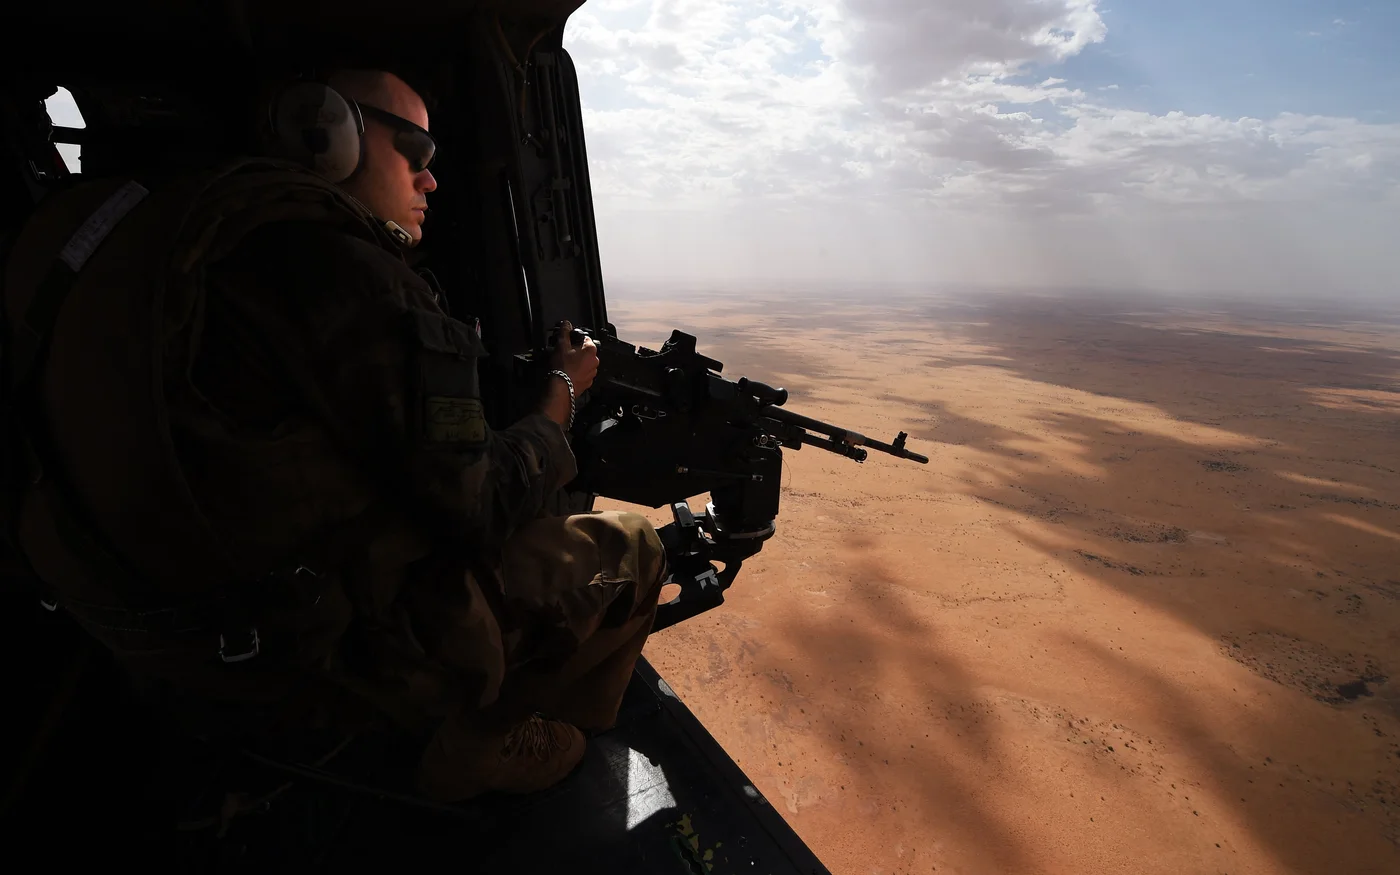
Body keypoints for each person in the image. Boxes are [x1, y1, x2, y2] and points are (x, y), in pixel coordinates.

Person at [2, 68, 670, 804]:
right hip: (294, 654)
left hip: (140, 622)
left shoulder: (127, 230)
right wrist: (561, 397)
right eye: (413, 149)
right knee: (633, 546)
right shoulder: (336, 268)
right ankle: (488, 741)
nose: (430, 178)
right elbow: (473, 508)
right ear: (325, 134)